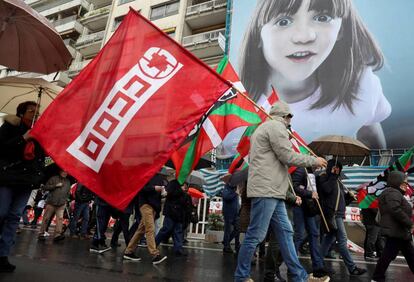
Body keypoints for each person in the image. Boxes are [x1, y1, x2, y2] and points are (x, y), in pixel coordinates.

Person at [239, 0, 391, 148]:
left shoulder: (360, 85)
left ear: (341, 29)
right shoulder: (236, 109)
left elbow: (371, 136)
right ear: (258, 34)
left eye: (322, 18)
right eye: (283, 21)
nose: (304, 37)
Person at [234, 100, 327, 282]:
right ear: (286, 116)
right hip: (267, 189)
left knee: (285, 232)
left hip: (272, 189)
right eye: (290, 117)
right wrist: (313, 160)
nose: (291, 121)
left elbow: (279, 156)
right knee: (256, 235)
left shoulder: (267, 127)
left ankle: (299, 276)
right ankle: (241, 276)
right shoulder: (276, 127)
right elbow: (287, 156)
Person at [0, 101, 45, 272]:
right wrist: (23, 138)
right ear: (21, 113)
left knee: (14, 216)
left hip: (26, 181)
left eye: (37, 111)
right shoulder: (9, 127)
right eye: (31, 111)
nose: (35, 114)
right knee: (2, 212)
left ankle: (3, 255)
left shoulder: (39, 133)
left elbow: (41, 157)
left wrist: (39, 174)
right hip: (7, 177)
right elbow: (2, 148)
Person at [318, 159, 367, 276]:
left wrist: (349, 197)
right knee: (342, 240)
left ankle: (317, 264)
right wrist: (333, 176)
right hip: (332, 214)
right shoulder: (323, 177)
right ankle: (352, 268)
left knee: (328, 240)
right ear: (329, 168)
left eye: (338, 168)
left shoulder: (338, 181)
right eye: (334, 168)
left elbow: (340, 201)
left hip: (338, 214)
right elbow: (326, 190)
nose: (337, 170)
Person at [372, 171, 414, 282]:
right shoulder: (393, 193)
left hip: (399, 230)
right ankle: (377, 277)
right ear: (396, 181)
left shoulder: (394, 193)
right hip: (396, 230)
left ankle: (377, 277)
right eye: (404, 182)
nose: (406, 185)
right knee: (389, 255)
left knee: (408, 255)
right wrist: (410, 223)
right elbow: (395, 209)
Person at [291, 167, 330, 278]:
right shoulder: (300, 169)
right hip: (300, 206)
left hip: (310, 206)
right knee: (299, 235)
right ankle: (292, 265)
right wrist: (309, 193)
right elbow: (294, 187)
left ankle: (318, 266)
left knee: (314, 233)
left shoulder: (311, 171)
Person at [123, 173, 167, 265]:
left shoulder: (161, 177)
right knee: (150, 228)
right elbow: (140, 189)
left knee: (141, 230)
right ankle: (155, 254)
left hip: (154, 207)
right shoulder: (146, 174)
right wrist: (154, 188)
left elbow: (159, 194)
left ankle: (128, 251)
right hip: (145, 204)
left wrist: (163, 195)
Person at [155, 180, 187, 256]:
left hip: (176, 212)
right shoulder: (174, 184)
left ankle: (178, 249)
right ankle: (154, 244)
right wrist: (182, 191)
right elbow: (171, 194)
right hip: (172, 212)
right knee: (168, 229)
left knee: (176, 231)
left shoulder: (179, 185)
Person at [38, 169, 71, 242]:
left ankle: (57, 235)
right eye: (63, 171)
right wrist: (55, 185)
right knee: (46, 218)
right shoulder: (54, 178)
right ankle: (41, 233)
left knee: (60, 219)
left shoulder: (68, 182)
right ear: (60, 172)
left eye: (66, 172)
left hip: (61, 204)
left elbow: (68, 192)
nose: (65, 173)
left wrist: (65, 200)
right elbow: (45, 187)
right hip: (51, 202)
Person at [221, 182, 240, 254]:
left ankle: (227, 242)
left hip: (236, 213)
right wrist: (235, 193)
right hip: (228, 212)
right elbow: (226, 197)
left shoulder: (235, 188)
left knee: (238, 229)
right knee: (228, 230)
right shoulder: (227, 187)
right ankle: (226, 247)